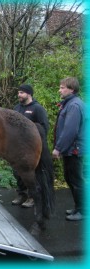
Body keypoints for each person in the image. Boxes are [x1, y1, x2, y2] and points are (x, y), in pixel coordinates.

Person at [12, 84, 50, 208]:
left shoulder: (37, 109)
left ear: (29, 94)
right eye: (18, 92)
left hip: (31, 148)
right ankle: (21, 194)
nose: (19, 95)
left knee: (32, 173)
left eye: (22, 93)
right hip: (17, 147)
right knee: (17, 172)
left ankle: (32, 197)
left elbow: (44, 127)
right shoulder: (16, 108)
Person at [52, 77, 85, 221]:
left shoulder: (74, 106)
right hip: (70, 149)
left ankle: (84, 210)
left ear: (71, 89)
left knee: (76, 180)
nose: (59, 90)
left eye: (62, 87)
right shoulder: (69, 104)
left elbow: (70, 131)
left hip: (74, 149)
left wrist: (58, 148)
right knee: (70, 178)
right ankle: (79, 207)